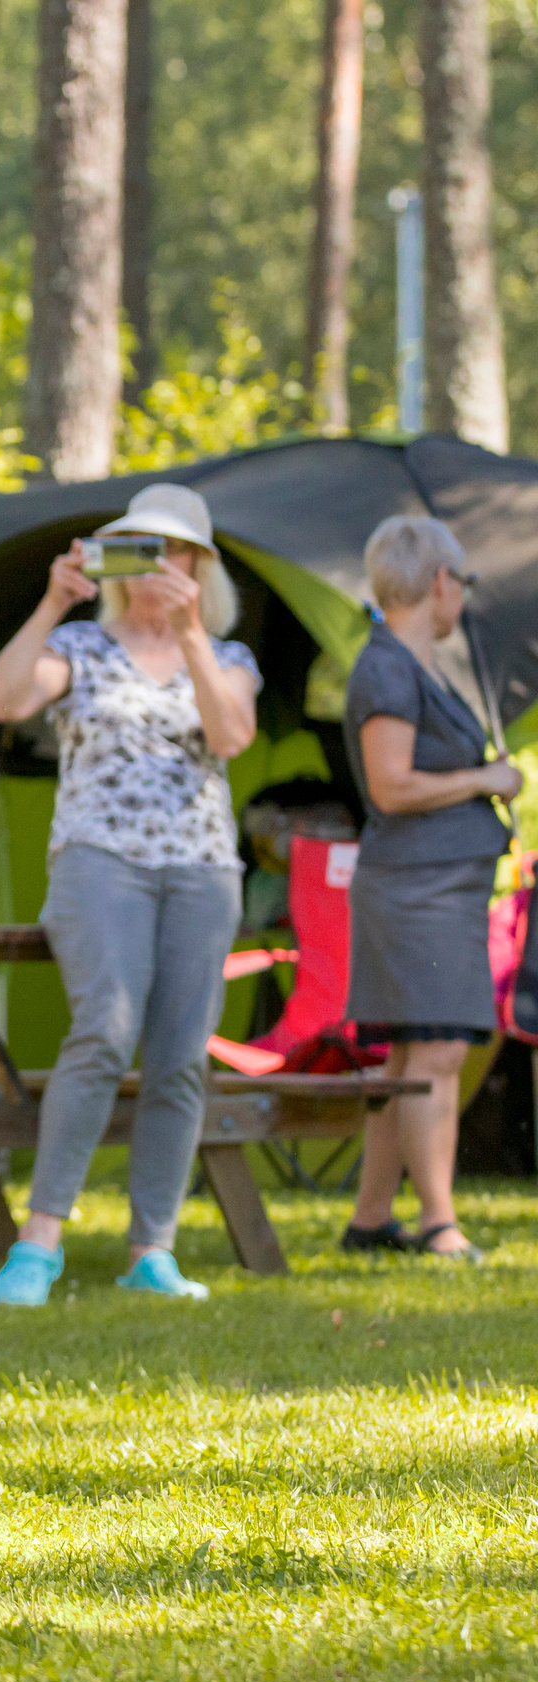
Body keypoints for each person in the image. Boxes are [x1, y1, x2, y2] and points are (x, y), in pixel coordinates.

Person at [0, 483, 261, 1307]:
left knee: (180, 1057)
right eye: (142, 547)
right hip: (100, 860)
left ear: (200, 567)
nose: (157, 565)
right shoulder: (80, 646)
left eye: (175, 552)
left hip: (201, 869)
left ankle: (151, 1250)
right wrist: (52, 602)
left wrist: (192, 633)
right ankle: (39, 1244)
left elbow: (231, 735)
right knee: (104, 1028)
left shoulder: (230, 658)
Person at [339, 516, 520, 1262]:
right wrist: (484, 779)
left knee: (410, 1055)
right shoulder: (388, 668)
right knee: (439, 1050)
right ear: (441, 581)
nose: (463, 597)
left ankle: (371, 1220)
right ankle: (439, 1223)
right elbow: (391, 786)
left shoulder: (417, 668)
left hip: (436, 886)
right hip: (418, 890)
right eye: (463, 582)